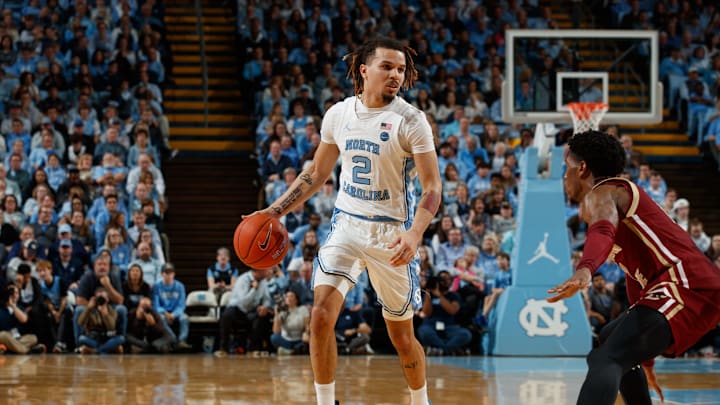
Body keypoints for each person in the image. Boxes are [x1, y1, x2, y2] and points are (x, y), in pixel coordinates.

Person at [249, 37, 441, 405]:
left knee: (401, 337)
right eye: (387, 67)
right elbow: (316, 174)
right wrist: (272, 211)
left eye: (401, 69)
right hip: (348, 227)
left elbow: (433, 187)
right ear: (364, 70)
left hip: (392, 236)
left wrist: (415, 235)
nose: (396, 75)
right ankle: (325, 402)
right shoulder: (339, 114)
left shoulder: (411, 121)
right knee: (320, 315)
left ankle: (421, 401)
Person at [547, 130, 720, 404]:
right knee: (609, 339)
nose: (564, 177)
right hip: (684, 286)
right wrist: (644, 354)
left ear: (581, 168)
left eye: (565, 168)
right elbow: (636, 282)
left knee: (608, 358)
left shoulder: (604, 192)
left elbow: (601, 231)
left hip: (684, 284)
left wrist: (585, 269)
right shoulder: (621, 198)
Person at [152, 264, 191, 350]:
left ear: (174, 274)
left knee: (184, 318)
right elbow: (155, 304)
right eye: (166, 273)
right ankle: (172, 339)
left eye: (171, 273)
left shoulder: (180, 286)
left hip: (175, 311)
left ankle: (182, 340)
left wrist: (174, 314)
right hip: (163, 312)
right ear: (162, 274)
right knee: (161, 318)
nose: (168, 275)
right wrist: (164, 312)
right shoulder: (157, 286)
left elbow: (181, 305)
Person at [270, 289, 310, 355]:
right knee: (274, 337)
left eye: (291, 296)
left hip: (300, 339)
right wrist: (276, 314)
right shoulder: (282, 312)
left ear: (296, 300)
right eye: (287, 296)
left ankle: (290, 352)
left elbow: (307, 325)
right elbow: (276, 331)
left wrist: (306, 333)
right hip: (286, 340)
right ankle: (294, 351)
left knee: (308, 342)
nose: (289, 298)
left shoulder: (302, 309)